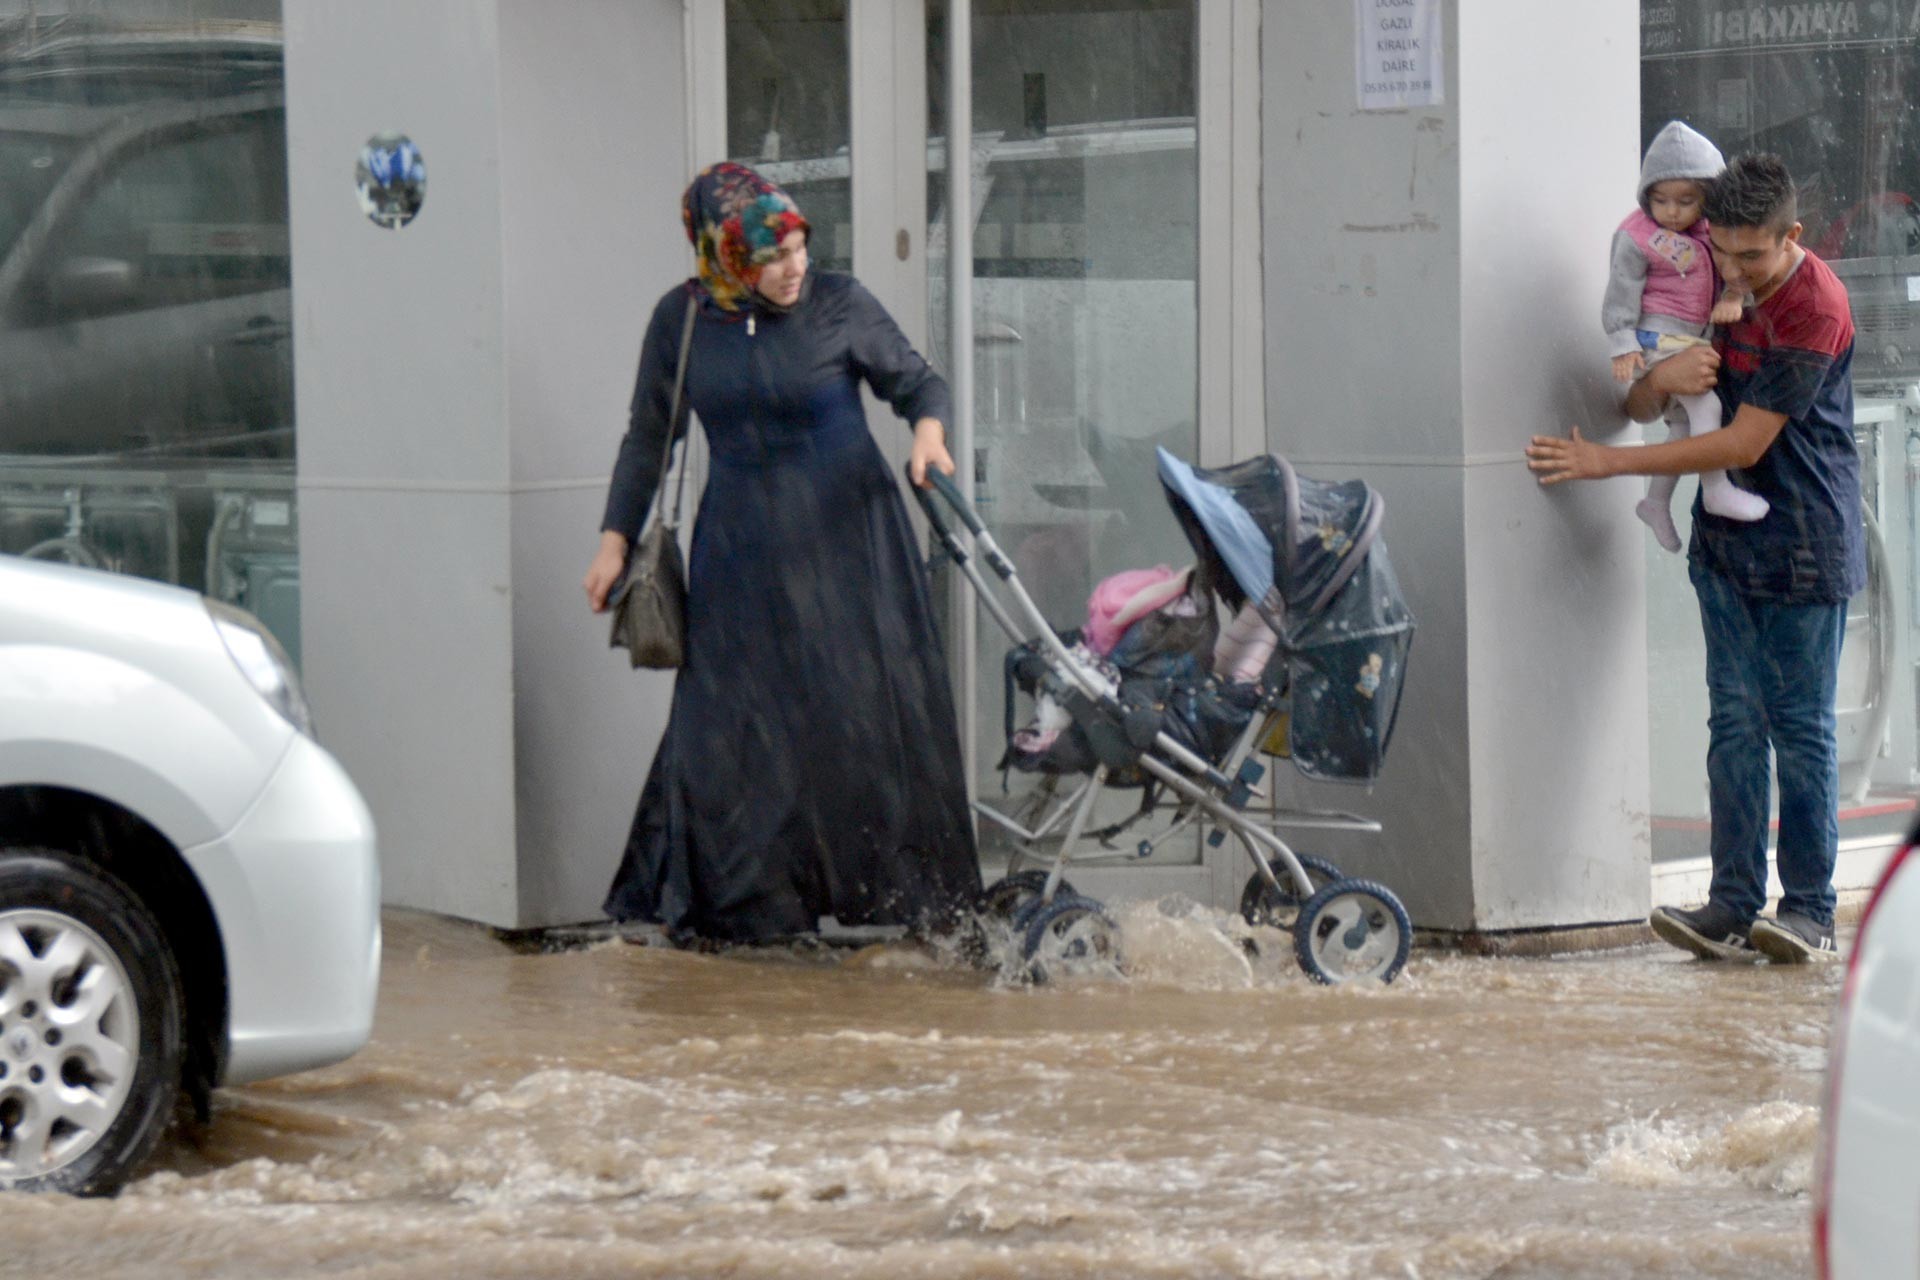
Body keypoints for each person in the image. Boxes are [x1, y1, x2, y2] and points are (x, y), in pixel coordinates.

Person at [583, 162, 982, 946]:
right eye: (772, 255)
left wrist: (928, 436)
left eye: (798, 246)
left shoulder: (841, 304)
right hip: (741, 550)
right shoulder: (684, 320)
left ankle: (910, 906)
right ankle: (754, 918)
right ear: (725, 255)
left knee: (863, 717)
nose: (794, 266)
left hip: (848, 542)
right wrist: (612, 543)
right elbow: (647, 438)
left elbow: (918, 384)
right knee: (729, 731)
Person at [1527, 153, 1861, 965]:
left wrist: (1608, 465)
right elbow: (1637, 399)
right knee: (1732, 728)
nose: (1736, 271)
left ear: (1794, 237)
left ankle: (1809, 910)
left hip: (1806, 547)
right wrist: (1659, 376)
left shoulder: (1815, 305)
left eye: (1755, 256)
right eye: (1726, 250)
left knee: (1800, 732)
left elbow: (1746, 440)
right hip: (1725, 549)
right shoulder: (1697, 277)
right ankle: (1731, 904)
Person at [1602, 120, 1763, 553]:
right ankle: (1716, 488)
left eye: (1686, 201)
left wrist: (1732, 295)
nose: (1672, 211)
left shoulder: (1712, 233)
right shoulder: (1637, 236)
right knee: (1706, 406)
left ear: (1708, 196)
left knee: (1683, 427)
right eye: (1661, 200)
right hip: (1660, 337)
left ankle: (1655, 502)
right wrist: (1623, 343)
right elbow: (1621, 292)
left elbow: (1735, 270)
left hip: (1696, 337)